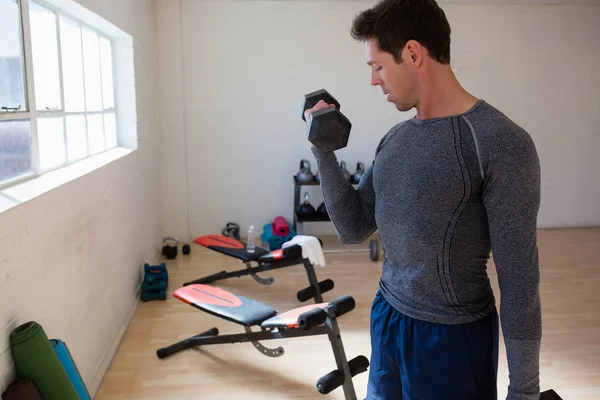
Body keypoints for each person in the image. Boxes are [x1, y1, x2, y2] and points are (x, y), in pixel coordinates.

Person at [304, 0, 542, 399]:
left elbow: (519, 279)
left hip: (450, 338)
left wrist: (525, 390)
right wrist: (323, 152)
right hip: (387, 317)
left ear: (413, 53)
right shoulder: (395, 140)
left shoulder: (501, 143)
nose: (373, 80)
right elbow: (353, 227)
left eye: (377, 66)